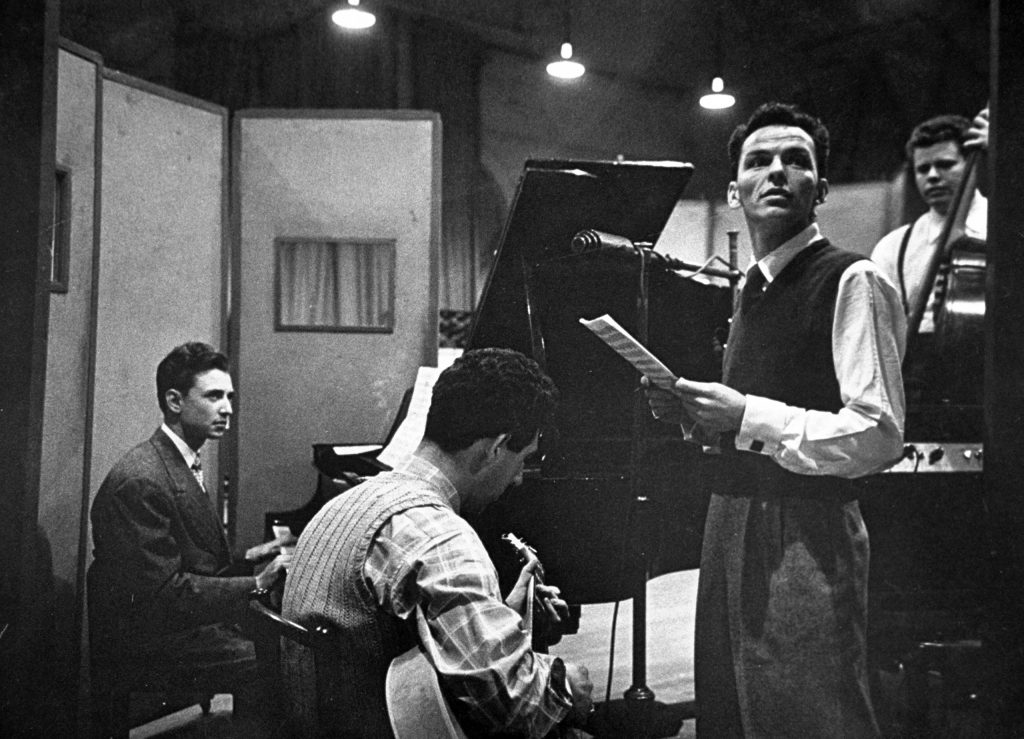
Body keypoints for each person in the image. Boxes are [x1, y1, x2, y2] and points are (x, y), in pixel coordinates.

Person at [644, 102, 906, 737]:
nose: (777, 171)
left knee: (810, 712)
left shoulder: (852, 278)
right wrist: (702, 419)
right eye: (758, 161)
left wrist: (748, 415)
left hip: (806, 528)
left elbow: (879, 433)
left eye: (797, 161)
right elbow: (755, 421)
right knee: (732, 707)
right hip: (729, 517)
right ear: (734, 193)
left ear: (821, 188)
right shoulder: (751, 287)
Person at [281, 347, 593, 738]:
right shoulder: (442, 536)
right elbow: (511, 706)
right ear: (497, 447)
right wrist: (566, 686)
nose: (516, 480)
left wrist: (503, 617)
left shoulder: (344, 503)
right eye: (522, 459)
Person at [89, 341, 292, 717]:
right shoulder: (141, 481)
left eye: (229, 396)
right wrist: (259, 582)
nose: (227, 408)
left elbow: (187, 553)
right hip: (150, 640)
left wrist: (249, 557)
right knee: (281, 660)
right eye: (214, 396)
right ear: (175, 401)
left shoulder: (179, 459)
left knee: (283, 644)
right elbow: (162, 595)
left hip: (174, 623)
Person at [870, 109, 989, 407]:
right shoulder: (892, 247)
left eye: (946, 164)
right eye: (923, 169)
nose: (933, 176)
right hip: (921, 391)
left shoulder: (1007, 226)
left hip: (992, 380)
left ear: (972, 164)